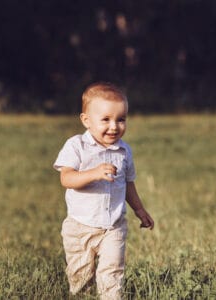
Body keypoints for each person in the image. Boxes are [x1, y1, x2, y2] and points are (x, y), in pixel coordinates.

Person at [53, 82, 154, 299]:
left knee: (112, 271)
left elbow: (128, 184)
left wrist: (139, 210)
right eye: (106, 119)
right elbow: (66, 178)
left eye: (121, 119)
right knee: (80, 277)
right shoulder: (76, 146)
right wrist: (93, 173)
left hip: (114, 226)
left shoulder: (125, 151)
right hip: (80, 227)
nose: (114, 126)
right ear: (86, 120)